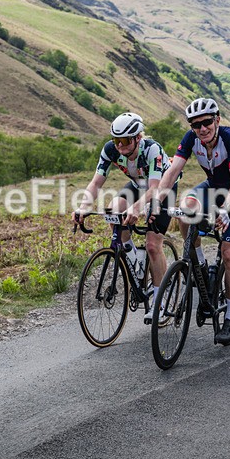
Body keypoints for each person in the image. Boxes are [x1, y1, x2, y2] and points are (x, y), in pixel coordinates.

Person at [153, 97, 230, 345]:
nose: (202, 128)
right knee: (185, 209)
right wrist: (158, 200)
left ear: (217, 120)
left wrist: (225, 210)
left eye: (207, 122)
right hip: (213, 187)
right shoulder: (192, 139)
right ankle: (199, 264)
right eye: (196, 124)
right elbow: (172, 171)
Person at [73, 112, 178, 321]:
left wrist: (138, 208)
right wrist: (84, 206)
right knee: (113, 210)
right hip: (138, 185)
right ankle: (135, 260)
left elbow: (154, 190)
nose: (119, 146)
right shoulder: (110, 149)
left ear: (138, 137)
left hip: (161, 189)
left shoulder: (152, 149)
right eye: (116, 140)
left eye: (125, 141)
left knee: (152, 244)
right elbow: (96, 183)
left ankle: (160, 300)